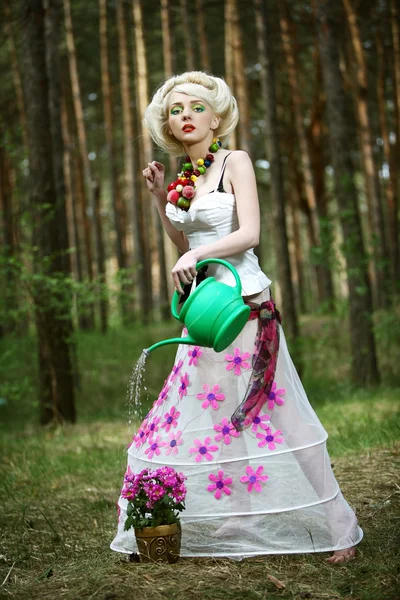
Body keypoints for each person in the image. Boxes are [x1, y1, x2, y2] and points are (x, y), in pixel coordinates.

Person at [110, 71, 362, 563]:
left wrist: (193, 260)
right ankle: (241, 511)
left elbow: (249, 233)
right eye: (177, 109)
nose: (186, 115)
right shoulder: (185, 176)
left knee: (284, 414)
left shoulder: (235, 161)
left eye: (197, 107)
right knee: (218, 410)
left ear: (218, 116)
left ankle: (339, 519)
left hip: (244, 303)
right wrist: (160, 200)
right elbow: (188, 246)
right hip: (205, 309)